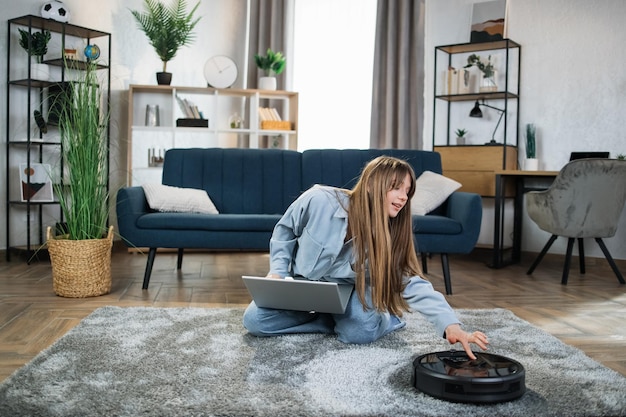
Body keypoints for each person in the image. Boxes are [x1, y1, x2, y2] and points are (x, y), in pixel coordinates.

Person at [243, 156, 488, 359]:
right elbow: (285, 230)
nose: (404, 197)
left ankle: (385, 319)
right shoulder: (318, 200)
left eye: (408, 191)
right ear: (371, 184)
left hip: (352, 293)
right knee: (255, 321)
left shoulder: (390, 237)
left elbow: (411, 282)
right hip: (302, 285)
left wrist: (450, 326)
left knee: (359, 333)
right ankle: (331, 319)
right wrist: (277, 271)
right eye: (396, 187)